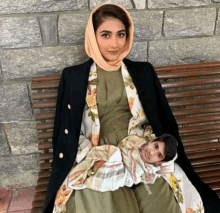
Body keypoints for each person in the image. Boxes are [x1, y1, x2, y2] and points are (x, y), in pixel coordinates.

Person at [42, 3, 220, 213]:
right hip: (98, 153)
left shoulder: (143, 72)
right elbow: (66, 130)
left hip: (141, 150)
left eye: (121, 34)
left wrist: (157, 149)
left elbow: (163, 118)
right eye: (105, 35)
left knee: (163, 202)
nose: (115, 44)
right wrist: (90, 158)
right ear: (92, 36)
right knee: (101, 204)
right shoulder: (73, 77)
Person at [53, 133, 204, 213]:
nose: (152, 152)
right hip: (114, 155)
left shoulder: (148, 170)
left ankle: (96, 171)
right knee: (102, 152)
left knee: (113, 160)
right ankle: (92, 166)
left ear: (159, 162)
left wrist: (111, 162)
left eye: (159, 155)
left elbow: (132, 176)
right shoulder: (137, 143)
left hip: (123, 172)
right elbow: (124, 145)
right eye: (155, 146)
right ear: (151, 141)